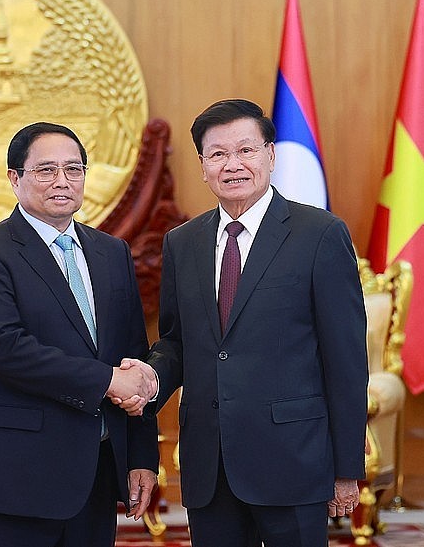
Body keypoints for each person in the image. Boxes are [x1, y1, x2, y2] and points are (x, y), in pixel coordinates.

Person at [145, 99, 368, 547]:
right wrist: (148, 379)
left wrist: (345, 467)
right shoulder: (181, 243)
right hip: (211, 465)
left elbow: (345, 359)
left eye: (246, 150)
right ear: (203, 165)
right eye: (219, 154)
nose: (234, 164)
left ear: (270, 155)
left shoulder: (320, 234)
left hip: (294, 460)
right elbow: (176, 342)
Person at [0, 122, 159, 547]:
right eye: (46, 170)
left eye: (74, 169)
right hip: (11, 479)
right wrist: (107, 381)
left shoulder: (111, 252)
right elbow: (5, 349)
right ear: (15, 178)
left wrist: (141, 457)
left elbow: (133, 353)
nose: (62, 181)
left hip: (95, 475)